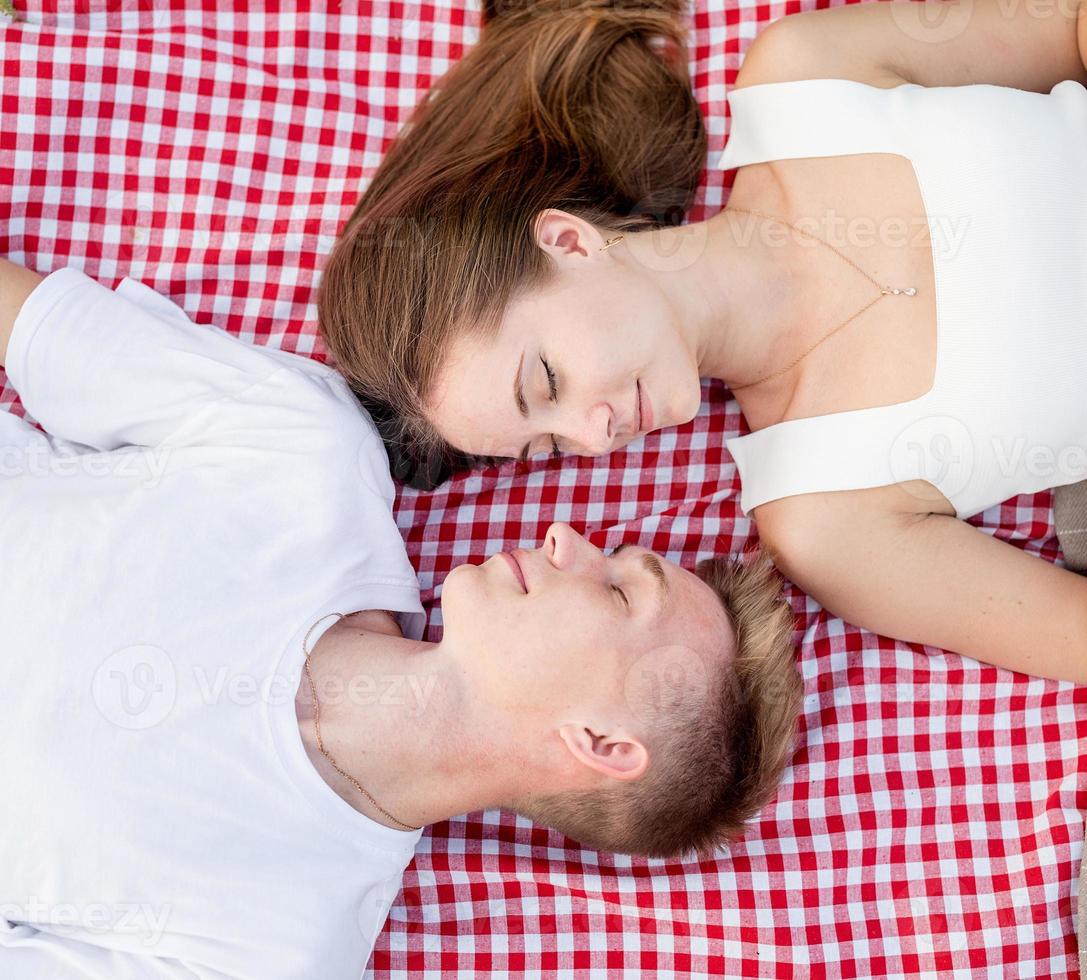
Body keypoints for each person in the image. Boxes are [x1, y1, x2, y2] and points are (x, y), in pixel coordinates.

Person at [0, 259, 802, 978]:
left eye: (620, 592)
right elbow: (38, 330)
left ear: (599, 744)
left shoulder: (267, 951)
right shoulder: (307, 455)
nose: (566, 538)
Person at [317, 0, 1087, 686]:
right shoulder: (824, 514)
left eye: (546, 383)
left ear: (567, 241)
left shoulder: (806, 79)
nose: (594, 433)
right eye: (547, 448)